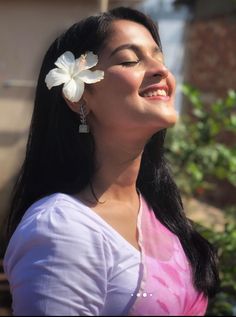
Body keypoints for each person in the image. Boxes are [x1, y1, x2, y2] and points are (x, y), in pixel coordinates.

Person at [3, 6, 219, 316]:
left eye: (159, 57)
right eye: (130, 60)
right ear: (79, 97)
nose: (161, 71)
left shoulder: (157, 210)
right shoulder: (58, 230)